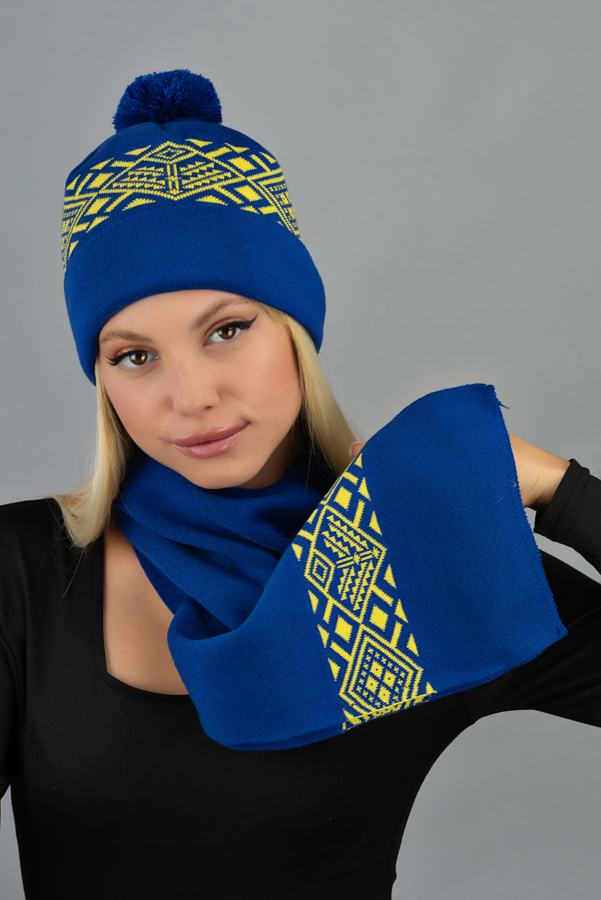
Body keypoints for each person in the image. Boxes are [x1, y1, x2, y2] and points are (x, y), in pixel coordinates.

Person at [0, 69, 599, 900]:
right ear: (102, 379)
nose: (191, 397)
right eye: (134, 355)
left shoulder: (425, 563)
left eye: (226, 330)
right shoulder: (23, 569)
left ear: (294, 332)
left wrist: (557, 488)